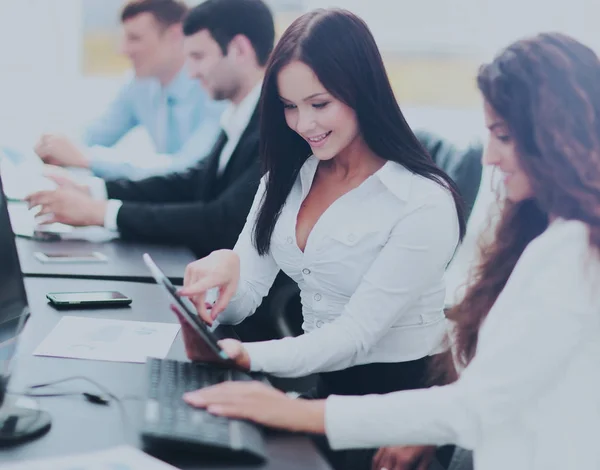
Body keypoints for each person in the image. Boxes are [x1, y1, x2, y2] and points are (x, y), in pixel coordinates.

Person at [181, 32, 600, 470]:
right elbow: (501, 375)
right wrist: (226, 270)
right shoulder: (541, 233)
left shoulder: (564, 249)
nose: (489, 156)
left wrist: (267, 382)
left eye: (504, 136)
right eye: (289, 106)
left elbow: (473, 398)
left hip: (404, 408)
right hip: (349, 397)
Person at [175, 8, 464, 470]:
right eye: (289, 107)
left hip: (398, 415)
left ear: (361, 92)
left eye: (319, 104)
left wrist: (245, 355)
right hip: (322, 389)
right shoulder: (285, 179)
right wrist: (216, 287)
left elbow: (354, 336)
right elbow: (244, 296)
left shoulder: (423, 202)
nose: (303, 123)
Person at [25, 0, 275, 261]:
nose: (190, 73)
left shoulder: (272, 126)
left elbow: (221, 220)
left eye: (198, 57)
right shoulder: (238, 114)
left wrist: (102, 213)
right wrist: (97, 192)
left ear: (239, 49)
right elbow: (192, 183)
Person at [34, 0, 223, 180]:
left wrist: (88, 159)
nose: (122, 50)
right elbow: (97, 132)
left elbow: (187, 169)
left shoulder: (214, 87)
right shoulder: (140, 85)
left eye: (134, 38)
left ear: (175, 36)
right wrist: (55, 145)